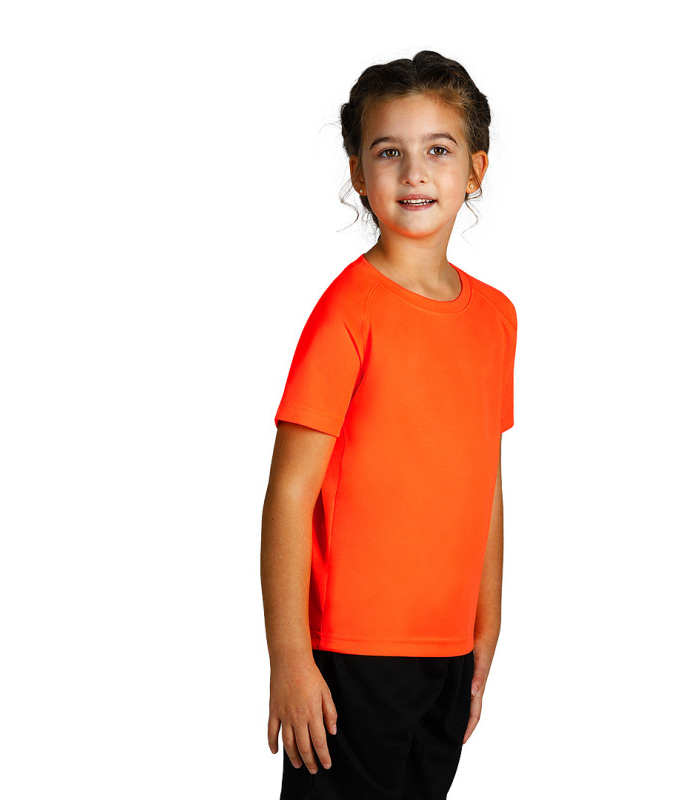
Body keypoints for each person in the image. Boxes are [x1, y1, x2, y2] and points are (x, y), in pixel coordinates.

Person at [261, 50, 517, 800]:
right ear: (357, 172)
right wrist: (290, 658)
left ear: (475, 169)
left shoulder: (496, 318)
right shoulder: (349, 311)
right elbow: (289, 493)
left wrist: (487, 626)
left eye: (437, 150)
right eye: (388, 152)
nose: (414, 173)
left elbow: (485, 480)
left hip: (448, 649)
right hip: (352, 653)